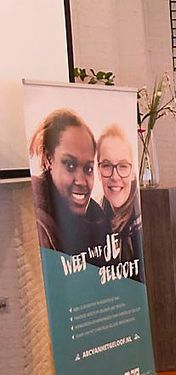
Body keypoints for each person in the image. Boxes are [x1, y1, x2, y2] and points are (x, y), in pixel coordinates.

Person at [28, 109, 110, 258]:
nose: (81, 181)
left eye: (88, 168)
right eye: (70, 165)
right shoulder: (35, 221)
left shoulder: (99, 219)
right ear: (48, 159)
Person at [96, 125, 143, 278]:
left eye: (123, 166)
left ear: (133, 173)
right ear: (98, 171)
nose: (115, 176)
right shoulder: (95, 220)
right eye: (107, 166)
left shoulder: (141, 226)